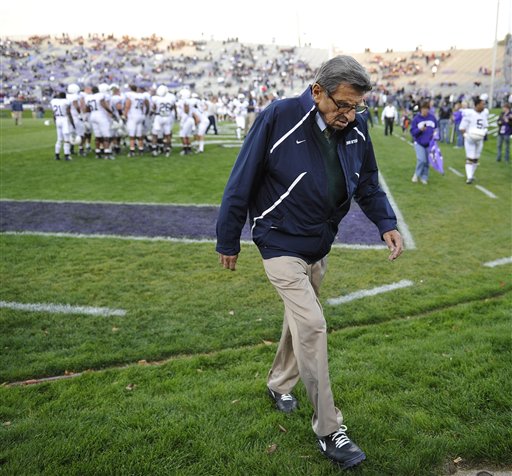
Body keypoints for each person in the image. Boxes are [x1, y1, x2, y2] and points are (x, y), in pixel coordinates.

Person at [216, 55, 403, 470]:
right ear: (317, 91)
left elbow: (367, 181)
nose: (349, 114)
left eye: (357, 106)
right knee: (314, 325)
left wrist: (386, 223)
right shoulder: (279, 116)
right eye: (342, 104)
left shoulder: (356, 127)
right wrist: (228, 237)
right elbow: (241, 178)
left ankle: (279, 383)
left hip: (319, 245)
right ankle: (329, 431)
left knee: (300, 322)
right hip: (278, 242)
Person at [459, 95, 489, 184]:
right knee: (470, 157)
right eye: (482, 104)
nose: (483, 106)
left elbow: (486, 126)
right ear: (477, 105)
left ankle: (471, 175)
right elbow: (462, 127)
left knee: (476, 158)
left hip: (479, 139)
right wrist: (466, 136)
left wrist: (484, 132)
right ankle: (469, 177)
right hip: (470, 139)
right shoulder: (469, 114)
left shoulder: (484, 114)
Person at [410, 100, 438, 185]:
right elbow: (412, 132)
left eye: (426, 108)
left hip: (429, 143)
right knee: (421, 160)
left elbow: (436, 129)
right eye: (423, 108)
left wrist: (435, 136)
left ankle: (424, 177)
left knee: (427, 162)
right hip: (419, 143)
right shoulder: (416, 119)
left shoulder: (432, 118)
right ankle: (416, 174)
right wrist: (420, 129)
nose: (425, 110)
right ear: (420, 109)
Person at [50, 91, 75, 161]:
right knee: (66, 139)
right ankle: (67, 155)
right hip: (64, 119)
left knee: (59, 138)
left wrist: (54, 121)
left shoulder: (54, 101)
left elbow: (53, 113)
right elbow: (68, 113)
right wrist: (73, 123)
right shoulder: (66, 102)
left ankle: (57, 155)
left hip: (58, 119)